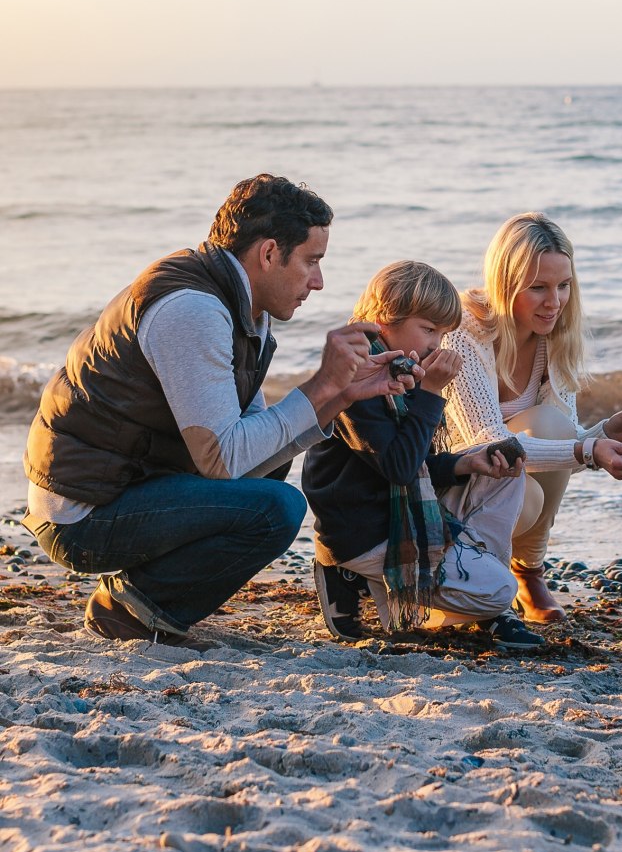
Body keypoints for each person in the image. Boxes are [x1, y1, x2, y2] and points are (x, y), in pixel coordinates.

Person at [21, 173, 413, 647]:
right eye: (311, 261)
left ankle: (141, 598)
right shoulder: (193, 310)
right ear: (269, 253)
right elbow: (222, 459)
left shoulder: (243, 307)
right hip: (81, 515)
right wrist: (321, 384)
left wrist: (342, 395)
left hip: (122, 487)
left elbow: (249, 445)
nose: (319, 281)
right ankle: (129, 609)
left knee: (271, 471)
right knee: (278, 507)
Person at [301, 260, 544, 650]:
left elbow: (415, 464)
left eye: (444, 334)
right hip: (364, 530)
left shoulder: (402, 367)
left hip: (396, 509)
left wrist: (466, 463)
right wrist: (431, 392)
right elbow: (400, 468)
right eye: (429, 330)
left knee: (504, 475)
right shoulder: (356, 376)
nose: (437, 344)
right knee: (501, 589)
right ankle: (350, 573)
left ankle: (483, 598)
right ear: (384, 319)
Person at [440, 212, 622, 623]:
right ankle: (472, 577)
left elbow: (564, 448)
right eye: (538, 287)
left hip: (497, 486)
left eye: (563, 285)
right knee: (526, 494)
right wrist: (591, 449)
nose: (555, 302)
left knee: (552, 426)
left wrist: (610, 431)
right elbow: (488, 445)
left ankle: (528, 573)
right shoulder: (463, 332)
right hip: (445, 492)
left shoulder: (552, 338)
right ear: (505, 284)